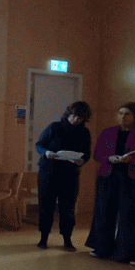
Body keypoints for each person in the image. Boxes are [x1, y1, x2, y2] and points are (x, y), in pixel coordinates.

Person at [85, 102, 135, 267]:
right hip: (108, 176)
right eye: (120, 113)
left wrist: (132, 159)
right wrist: (109, 158)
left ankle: (132, 253)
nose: (123, 117)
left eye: (127, 114)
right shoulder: (108, 132)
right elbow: (98, 154)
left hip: (133, 178)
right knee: (104, 212)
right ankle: (101, 248)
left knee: (131, 215)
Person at [34, 101, 92, 251]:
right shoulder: (54, 127)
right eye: (73, 116)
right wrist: (46, 153)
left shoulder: (84, 133)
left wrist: (82, 160)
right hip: (48, 172)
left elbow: (87, 153)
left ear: (84, 119)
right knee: (46, 206)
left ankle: (67, 240)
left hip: (70, 174)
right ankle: (43, 239)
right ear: (68, 113)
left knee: (68, 208)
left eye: (80, 118)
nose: (75, 120)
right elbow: (39, 144)